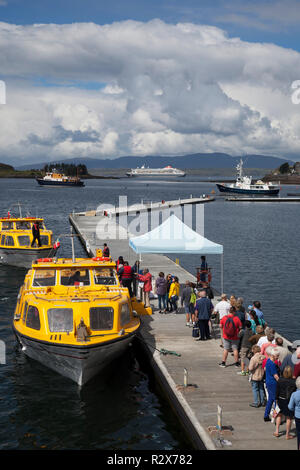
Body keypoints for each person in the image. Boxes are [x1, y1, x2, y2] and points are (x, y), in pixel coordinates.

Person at [274, 366, 296, 439]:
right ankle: (287, 434)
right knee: (288, 417)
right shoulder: (293, 381)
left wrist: (276, 399)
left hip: (281, 399)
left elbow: (277, 391)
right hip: (289, 400)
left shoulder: (280, 380)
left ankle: (277, 431)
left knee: (279, 415)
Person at [263, 347, 280, 422]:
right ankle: (276, 416)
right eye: (277, 356)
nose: (278, 357)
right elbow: (276, 376)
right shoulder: (272, 364)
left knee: (270, 399)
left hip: (268, 382)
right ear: (273, 356)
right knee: (276, 400)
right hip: (273, 383)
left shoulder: (268, 361)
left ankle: (266, 415)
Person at [288, 376, 300, 450]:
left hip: (298, 415)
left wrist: (294, 409)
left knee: (299, 433)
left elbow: (290, 407)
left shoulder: (294, 394)